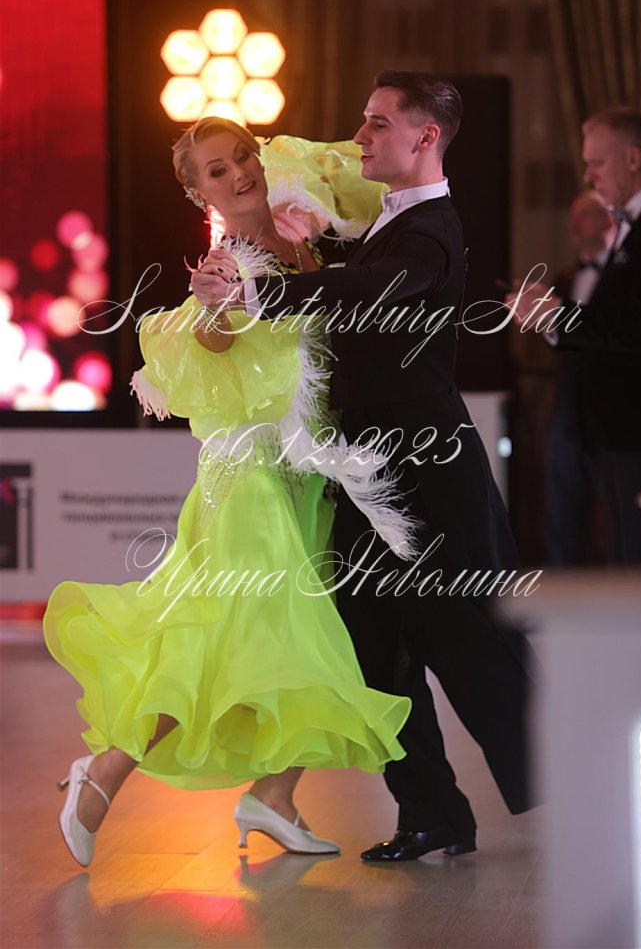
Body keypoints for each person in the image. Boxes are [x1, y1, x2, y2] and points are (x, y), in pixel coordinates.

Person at [44, 116, 413, 869]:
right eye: (217, 170)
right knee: (218, 638)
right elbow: (211, 332)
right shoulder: (227, 262)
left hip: (308, 477)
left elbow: (355, 183)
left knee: (303, 637)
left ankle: (274, 795)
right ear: (197, 192)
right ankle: (103, 774)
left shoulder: (303, 238)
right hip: (248, 480)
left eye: (244, 155)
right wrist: (214, 304)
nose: (240, 172)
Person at [196, 72, 534, 861]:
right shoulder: (384, 222)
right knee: (373, 646)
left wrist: (260, 294)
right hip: (367, 474)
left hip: (429, 479)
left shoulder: (431, 231)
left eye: (379, 123)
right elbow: (350, 276)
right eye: (364, 119)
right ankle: (432, 812)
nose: (360, 136)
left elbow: (365, 289)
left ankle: (584, 777)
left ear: (425, 137)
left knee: (470, 641)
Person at [510, 107, 641, 565]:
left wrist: (558, 315)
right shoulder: (639, 223)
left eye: (596, 163)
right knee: (626, 556)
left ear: (633, 158)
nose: (588, 175)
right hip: (619, 429)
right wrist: (551, 317)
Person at [545, 191, 613, 565]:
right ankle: (562, 573)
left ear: (608, 221)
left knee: (613, 495)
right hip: (569, 398)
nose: (574, 224)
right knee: (562, 492)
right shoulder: (565, 277)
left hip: (610, 399)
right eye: (572, 215)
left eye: (585, 214)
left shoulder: (621, 277)